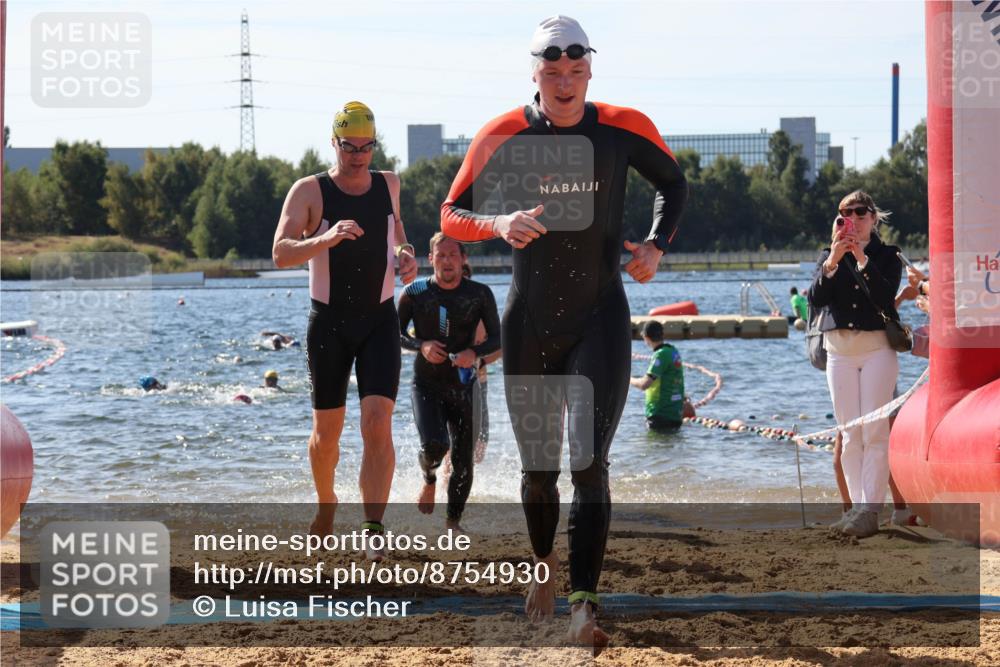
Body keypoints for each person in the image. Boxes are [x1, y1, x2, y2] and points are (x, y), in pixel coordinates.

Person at [440, 15, 687, 648]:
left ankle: (584, 607)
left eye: (576, 70)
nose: (565, 81)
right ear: (535, 73)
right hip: (529, 323)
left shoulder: (622, 126)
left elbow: (673, 183)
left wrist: (657, 247)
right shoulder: (505, 133)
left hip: (600, 315)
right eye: (553, 71)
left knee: (590, 464)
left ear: (589, 71)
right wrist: (498, 224)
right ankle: (543, 565)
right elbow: (450, 212)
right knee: (539, 472)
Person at [272, 101, 418, 555]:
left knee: (377, 424)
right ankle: (327, 501)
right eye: (349, 146)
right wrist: (326, 238)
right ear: (333, 143)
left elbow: (399, 235)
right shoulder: (309, 191)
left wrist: (408, 255)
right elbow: (280, 252)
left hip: (379, 320)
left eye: (366, 146)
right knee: (327, 435)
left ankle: (373, 526)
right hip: (329, 325)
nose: (358, 155)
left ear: (374, 144)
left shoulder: (388, 184)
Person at [810, 191, 902, 538]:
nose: (852, 219)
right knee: (849, 434)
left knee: (875, 431)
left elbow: (883, 295)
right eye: (845, 213)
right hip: (839, 351)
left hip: (877, 348)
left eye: (859, 213)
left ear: (873, 218)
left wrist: (862, 257)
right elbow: (816, 300)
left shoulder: (887, 255)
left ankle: (870, 510)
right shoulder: (829, 255)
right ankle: (857, 509)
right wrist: (833, 260)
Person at [397, 234, 501, 531]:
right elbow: (394, 332)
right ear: (430, 259)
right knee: (434, 446)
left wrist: (475, 353)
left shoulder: (480, 294)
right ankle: (429, 478)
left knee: (464, 460)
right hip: (426, 384)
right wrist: (421, 346)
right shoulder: (415, 292)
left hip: (464, 386)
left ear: (463, 258)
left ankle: (453, 522)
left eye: (452, 255)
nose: (446, 261)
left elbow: (498, 337)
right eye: (440, 255)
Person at [629, 321, 686, 431]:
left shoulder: (660, 355)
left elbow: (644, 384)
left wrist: (628, 379)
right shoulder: (673, 351)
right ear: (662, 335)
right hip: (675, 415)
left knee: (654, 446)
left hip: (660, 415)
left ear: (646, 337)